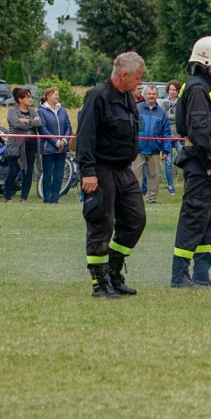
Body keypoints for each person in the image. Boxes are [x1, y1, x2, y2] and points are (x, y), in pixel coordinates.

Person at [77, 52, 147, 298]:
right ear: (124, 75)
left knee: (136, 220)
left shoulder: (127, 97)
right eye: (138, 78)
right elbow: (85, 137)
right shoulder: (97, 96)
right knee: (101, 225)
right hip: (101, 170)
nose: (140, 83)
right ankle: (100, 282)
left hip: (124, 170)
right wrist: (87, 171)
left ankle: (114, 271)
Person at [171, 36, 211, 288]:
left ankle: (201, 274)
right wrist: (208, 161)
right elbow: (198, 130)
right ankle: (179, 275)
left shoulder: (202, 85)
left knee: (210, 217)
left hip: (206, 160)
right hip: (200, 162)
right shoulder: (197, 88)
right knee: (194, 216)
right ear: (205, 60)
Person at [4, 87, 41, 203]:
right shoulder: (12, 111)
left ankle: (23, 198)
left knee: (28, 171)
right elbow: (16, 124)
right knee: (13, 171)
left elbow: (39, 123)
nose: (30, 99)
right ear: (20, 99)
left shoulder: (33, 111)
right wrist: (31, 123)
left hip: (31, 145)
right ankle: (8, 197)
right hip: (16, 145)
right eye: (27, 97)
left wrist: (26, 121)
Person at [135, 85, 171, 204]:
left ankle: (151, 198)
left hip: (154, 149)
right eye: (149, 94)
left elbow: (166, 133)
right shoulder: (137, 109)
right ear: (144, 95)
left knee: (154, 176)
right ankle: (135, 199)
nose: (151, 96)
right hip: (138, 150)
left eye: (154, 94)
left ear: (157, 96)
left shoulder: (162, 113)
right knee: (136, 177)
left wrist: (166, 150)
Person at [37, 87, 72, 204]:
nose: (57, 96)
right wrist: (56, 142)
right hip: (49, 148)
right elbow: (43, 129)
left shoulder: (63, 111)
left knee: (59, 174)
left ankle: (55, 198)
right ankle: (47, 198)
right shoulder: (41, 111)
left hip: (62, 148)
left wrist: (64, 141)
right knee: (48, 174)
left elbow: (68, 127)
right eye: (55, 94)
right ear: (48, 96)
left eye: (58, 94)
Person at [159, 80, 182, 195]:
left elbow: (180, 119)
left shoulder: (181, 103)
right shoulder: (164, 103)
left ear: (178, 91)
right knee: (168, 162)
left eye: (174, 90)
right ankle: (170, 186)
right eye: (170, 90)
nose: (172, 92)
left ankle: (188, 183)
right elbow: (163, 119)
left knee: (184, 159)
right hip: (167, 136)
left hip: (178, 136)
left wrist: (171, 118)